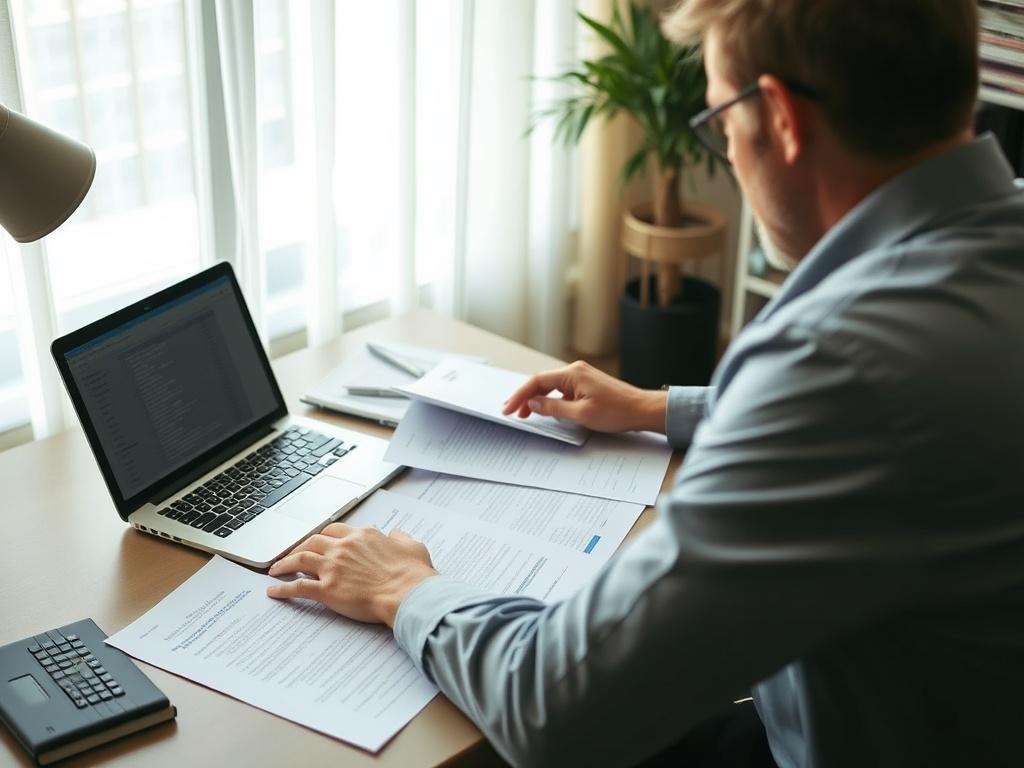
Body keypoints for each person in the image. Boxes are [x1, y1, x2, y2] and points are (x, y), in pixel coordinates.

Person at [267, 0, 1024, 765]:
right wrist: (656, 408)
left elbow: (555, 712)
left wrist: (403, 588)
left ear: (782, 120)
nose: (726, 149)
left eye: (722, 121)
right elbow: (905, 418)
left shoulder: (840, 367)